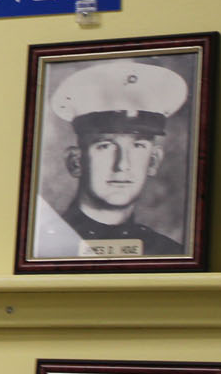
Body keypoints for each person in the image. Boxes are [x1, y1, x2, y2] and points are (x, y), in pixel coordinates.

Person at [33, 58, 187, 257]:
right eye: (105, 146)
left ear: (154, 160)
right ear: (76, 161)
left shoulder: (169, 253)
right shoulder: (43, 248)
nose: (122, 164)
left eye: (138, 146)